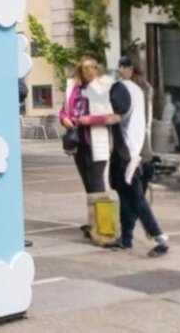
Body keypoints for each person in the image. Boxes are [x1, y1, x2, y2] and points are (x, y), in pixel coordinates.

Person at [108, 56, 169, 257]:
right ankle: (126, 239)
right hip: (144, 153)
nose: (119, 71)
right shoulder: (145, 89)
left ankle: (160, 237)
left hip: (129, 155)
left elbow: (117, 116)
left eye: (121, 67)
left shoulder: (122, 89)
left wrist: (91, 119)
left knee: (135, 199)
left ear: (129, 69)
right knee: (128, 199)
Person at [59, 56, 123, 242]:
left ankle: (106, 230)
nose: (89, 73)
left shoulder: (104, 86)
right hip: (78, 142)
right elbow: (64, 110)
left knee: (97, 185)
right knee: (89, 186)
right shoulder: (72, 86)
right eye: (85, 69)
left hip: (97, 141)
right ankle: (95, 224)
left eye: (92, 69)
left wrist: (89, 120)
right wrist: (64, 118)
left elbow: (114, 116)